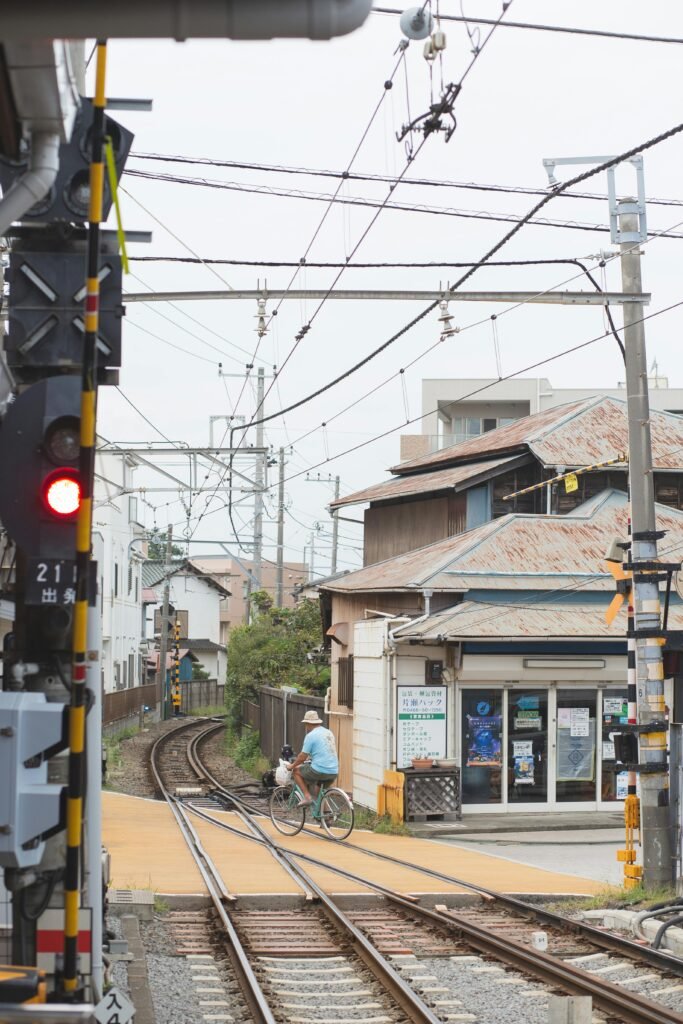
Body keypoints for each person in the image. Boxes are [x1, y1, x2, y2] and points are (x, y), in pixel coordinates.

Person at [286, 710, 339, 806]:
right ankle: (326, 815)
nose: (306, 726)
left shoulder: (310, 736)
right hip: (333, 771)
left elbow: (302, 757)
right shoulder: (328, 733)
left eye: (306, 724)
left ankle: (307, 797)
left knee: (296, 771)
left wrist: (292, 765)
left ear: (308, 723)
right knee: (319, 791)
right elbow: (322, 750)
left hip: (319, 770)